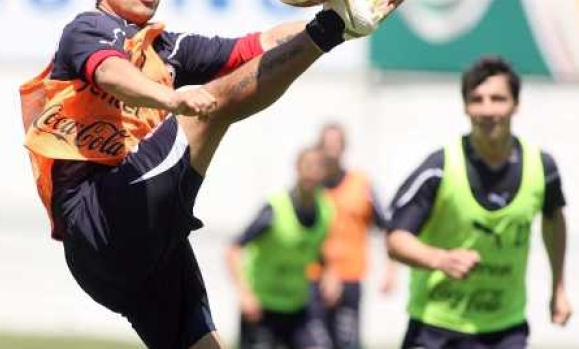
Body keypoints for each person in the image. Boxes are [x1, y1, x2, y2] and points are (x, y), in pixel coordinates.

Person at [19, 0, 408, 349]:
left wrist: (341, 20)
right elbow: (111, 73)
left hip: (151, 245)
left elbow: (261, 45)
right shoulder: (88, 28)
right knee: (210, 108)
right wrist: (170, 98)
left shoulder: (167, 48)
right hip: (98, 218)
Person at [386, 57, 572, 349]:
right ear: (465, 107)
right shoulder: (439, 168)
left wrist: (558, 287)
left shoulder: (542, 168)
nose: (487, 110)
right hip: (436, 327)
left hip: (505, 328)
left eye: (498, 99)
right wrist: (440, 259)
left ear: (516, 105)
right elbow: (396, 239)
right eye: (477, 100)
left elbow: (553, 219)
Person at [225, 146, 334, 349]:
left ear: (325, 172)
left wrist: (330, 274)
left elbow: (318, 249)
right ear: (297, 168)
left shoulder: (326, 209)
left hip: (298, 306)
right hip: (262, 307)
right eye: (308, 166)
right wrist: (245, 294)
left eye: (318, 167)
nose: (312, 173)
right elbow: (232, 249)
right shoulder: (275, 208)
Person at [308, 123, 396, 349]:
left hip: (350, 277)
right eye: (327, 144)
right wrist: (327, 273)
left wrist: (390, 270)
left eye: (336, 144)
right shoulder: (311, 187)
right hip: (314, 278)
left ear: (344, 146)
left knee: (348, 343)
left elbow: (386, 226)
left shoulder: (361, 184)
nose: (332, 150)